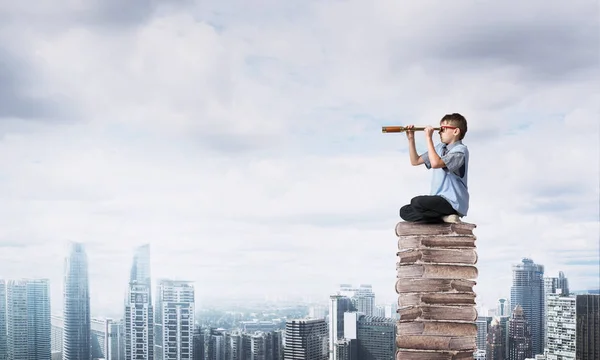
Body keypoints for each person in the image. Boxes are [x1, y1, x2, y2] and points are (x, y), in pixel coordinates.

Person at [399, 113, 469, 223]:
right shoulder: (440, 148)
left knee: (417, 202)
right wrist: (411, 139)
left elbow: (436, 163)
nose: (439, 132)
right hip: (437, 200)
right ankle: (442, 217)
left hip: (452, 202)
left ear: (455, 131)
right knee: (404, 211)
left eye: (443, 129)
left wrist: (428, 138)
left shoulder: (460, 151)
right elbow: (415, 161)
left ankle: (445, 215)